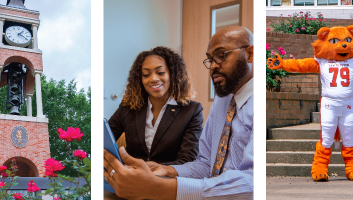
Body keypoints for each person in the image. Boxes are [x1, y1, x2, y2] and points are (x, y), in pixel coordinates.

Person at [103, 26, 255, 199]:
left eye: (221, 55)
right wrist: (166, 170)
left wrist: (158, 186)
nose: (213, 66)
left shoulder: (192, 110)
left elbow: (251, 182)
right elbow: (205, 164)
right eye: (210, 60)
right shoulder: (222, 101)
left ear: (250, 54)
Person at [108, 46, 202, 166]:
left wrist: (155, 171)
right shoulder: (128, 107)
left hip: (166, 179)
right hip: (131, 175)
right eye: (146, 75)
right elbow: (106, 140)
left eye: (160, 72)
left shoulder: (192, 111)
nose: (153, 79)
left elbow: (187, 160)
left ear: (173, 74)